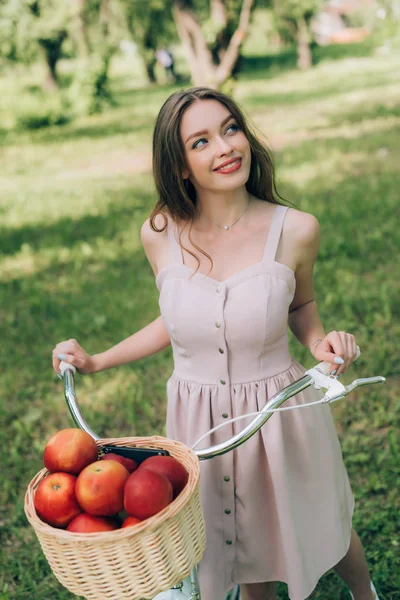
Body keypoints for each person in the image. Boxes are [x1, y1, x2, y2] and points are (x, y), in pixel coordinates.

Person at [52, 87, 379, 600]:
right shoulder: (159, 233)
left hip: (277, 415)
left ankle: (367, 593)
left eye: (230, 129)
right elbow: (180, 320)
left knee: (320, 524)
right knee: (237, 550)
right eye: (200, 142)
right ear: (180, 166)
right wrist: (96, 361)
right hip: (198, 420)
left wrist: (320, 344)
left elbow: (300, 306)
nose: (225, 148)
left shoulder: (295, 229)